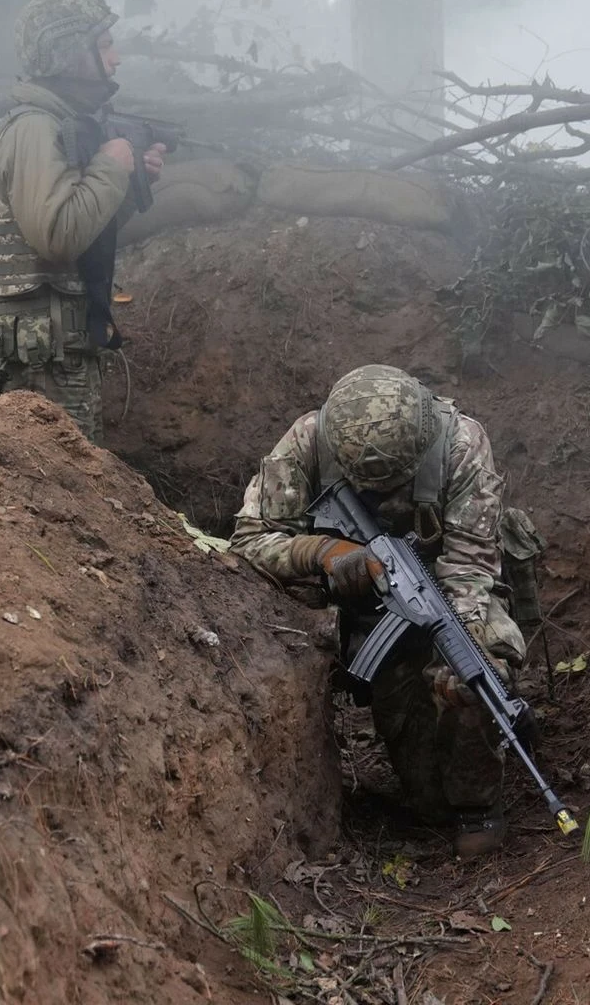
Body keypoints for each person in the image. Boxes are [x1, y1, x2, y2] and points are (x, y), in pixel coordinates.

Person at [230, 364, 543, 857]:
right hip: (367, 613)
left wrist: (463, 645)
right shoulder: (308, 441)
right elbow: (248, 541)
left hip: (446, 592)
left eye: (395, 483)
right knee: (426, 805)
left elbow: (470, 568)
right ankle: (442, 781)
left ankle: (478, 804)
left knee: (474, 673)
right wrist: (325, 554)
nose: (385, 494)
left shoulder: (460, 445)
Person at [0, 0, 164, 443]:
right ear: (67, 54)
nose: (116, 59)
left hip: (53, 359)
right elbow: (57, 235)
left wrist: (126, 186)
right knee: (62, 498)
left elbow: (80, 239)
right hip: (41, 370)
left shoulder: (51, 124)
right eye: (103, 46)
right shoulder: (36, 128)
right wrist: (110, 167)